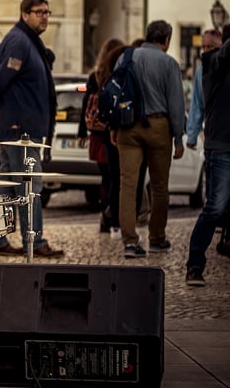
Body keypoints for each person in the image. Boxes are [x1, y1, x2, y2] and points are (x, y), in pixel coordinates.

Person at [0, 0, 64, 257]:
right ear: (25, 14)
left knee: (6, 183)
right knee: (29, 185)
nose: (45, 16)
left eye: (47, 12)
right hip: (18, 129)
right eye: (39, 12)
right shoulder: (18, 40)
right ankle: (34, 242)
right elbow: (4, 74)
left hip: (18, 126)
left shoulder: (27, 40)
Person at [112, 20, 185, 258]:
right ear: (166, 40)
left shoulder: (126, 57)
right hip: (158, 126)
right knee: (159, 187)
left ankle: (130, 242)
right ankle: (157, 237)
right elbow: (176, 104)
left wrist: (114, 126)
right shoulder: (169, 63)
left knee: (128, 185)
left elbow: (114, 92)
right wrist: (178, 138)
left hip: (128, 125)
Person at [186, 26, 230, 286]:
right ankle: (194, 265)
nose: (204, 49)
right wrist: (191, 137)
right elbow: (196, 109)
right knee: (214, 207)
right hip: (221, 146)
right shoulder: (212, 63)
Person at [78, 37, 125, 237]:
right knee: (116, 178)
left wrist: (82, 131)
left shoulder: (95, 76)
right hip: (113, 132)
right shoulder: (119, 75)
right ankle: (111, 216)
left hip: (96, 134)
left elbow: (85, 104)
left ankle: (105, 218)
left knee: (106, 179)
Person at [186, 29, 222, 150]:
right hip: (212, 136)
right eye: (203, 47)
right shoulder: (200, 71)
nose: (205, 51)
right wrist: (192, 136)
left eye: (210, 46)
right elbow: (197, 105)